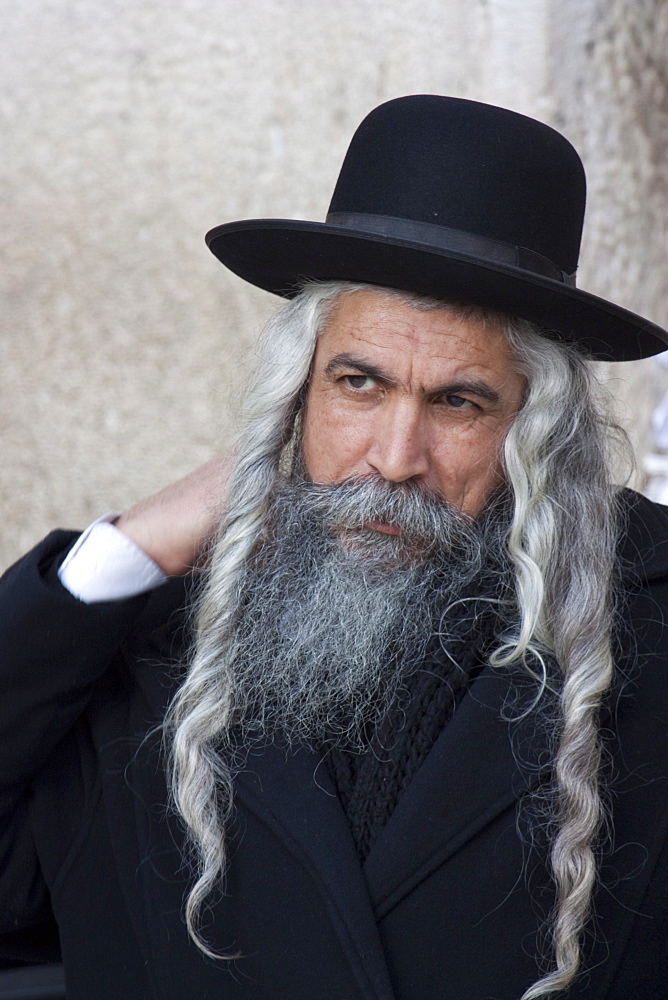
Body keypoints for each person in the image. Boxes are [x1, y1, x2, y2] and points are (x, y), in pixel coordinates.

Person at [1, 95, 667, 1000]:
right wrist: (120, 555)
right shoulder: (138, 645)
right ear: (296, 394)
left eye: (458, 402)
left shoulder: (649, 637)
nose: (394, 461)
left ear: (537, 431)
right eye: (359, 384)